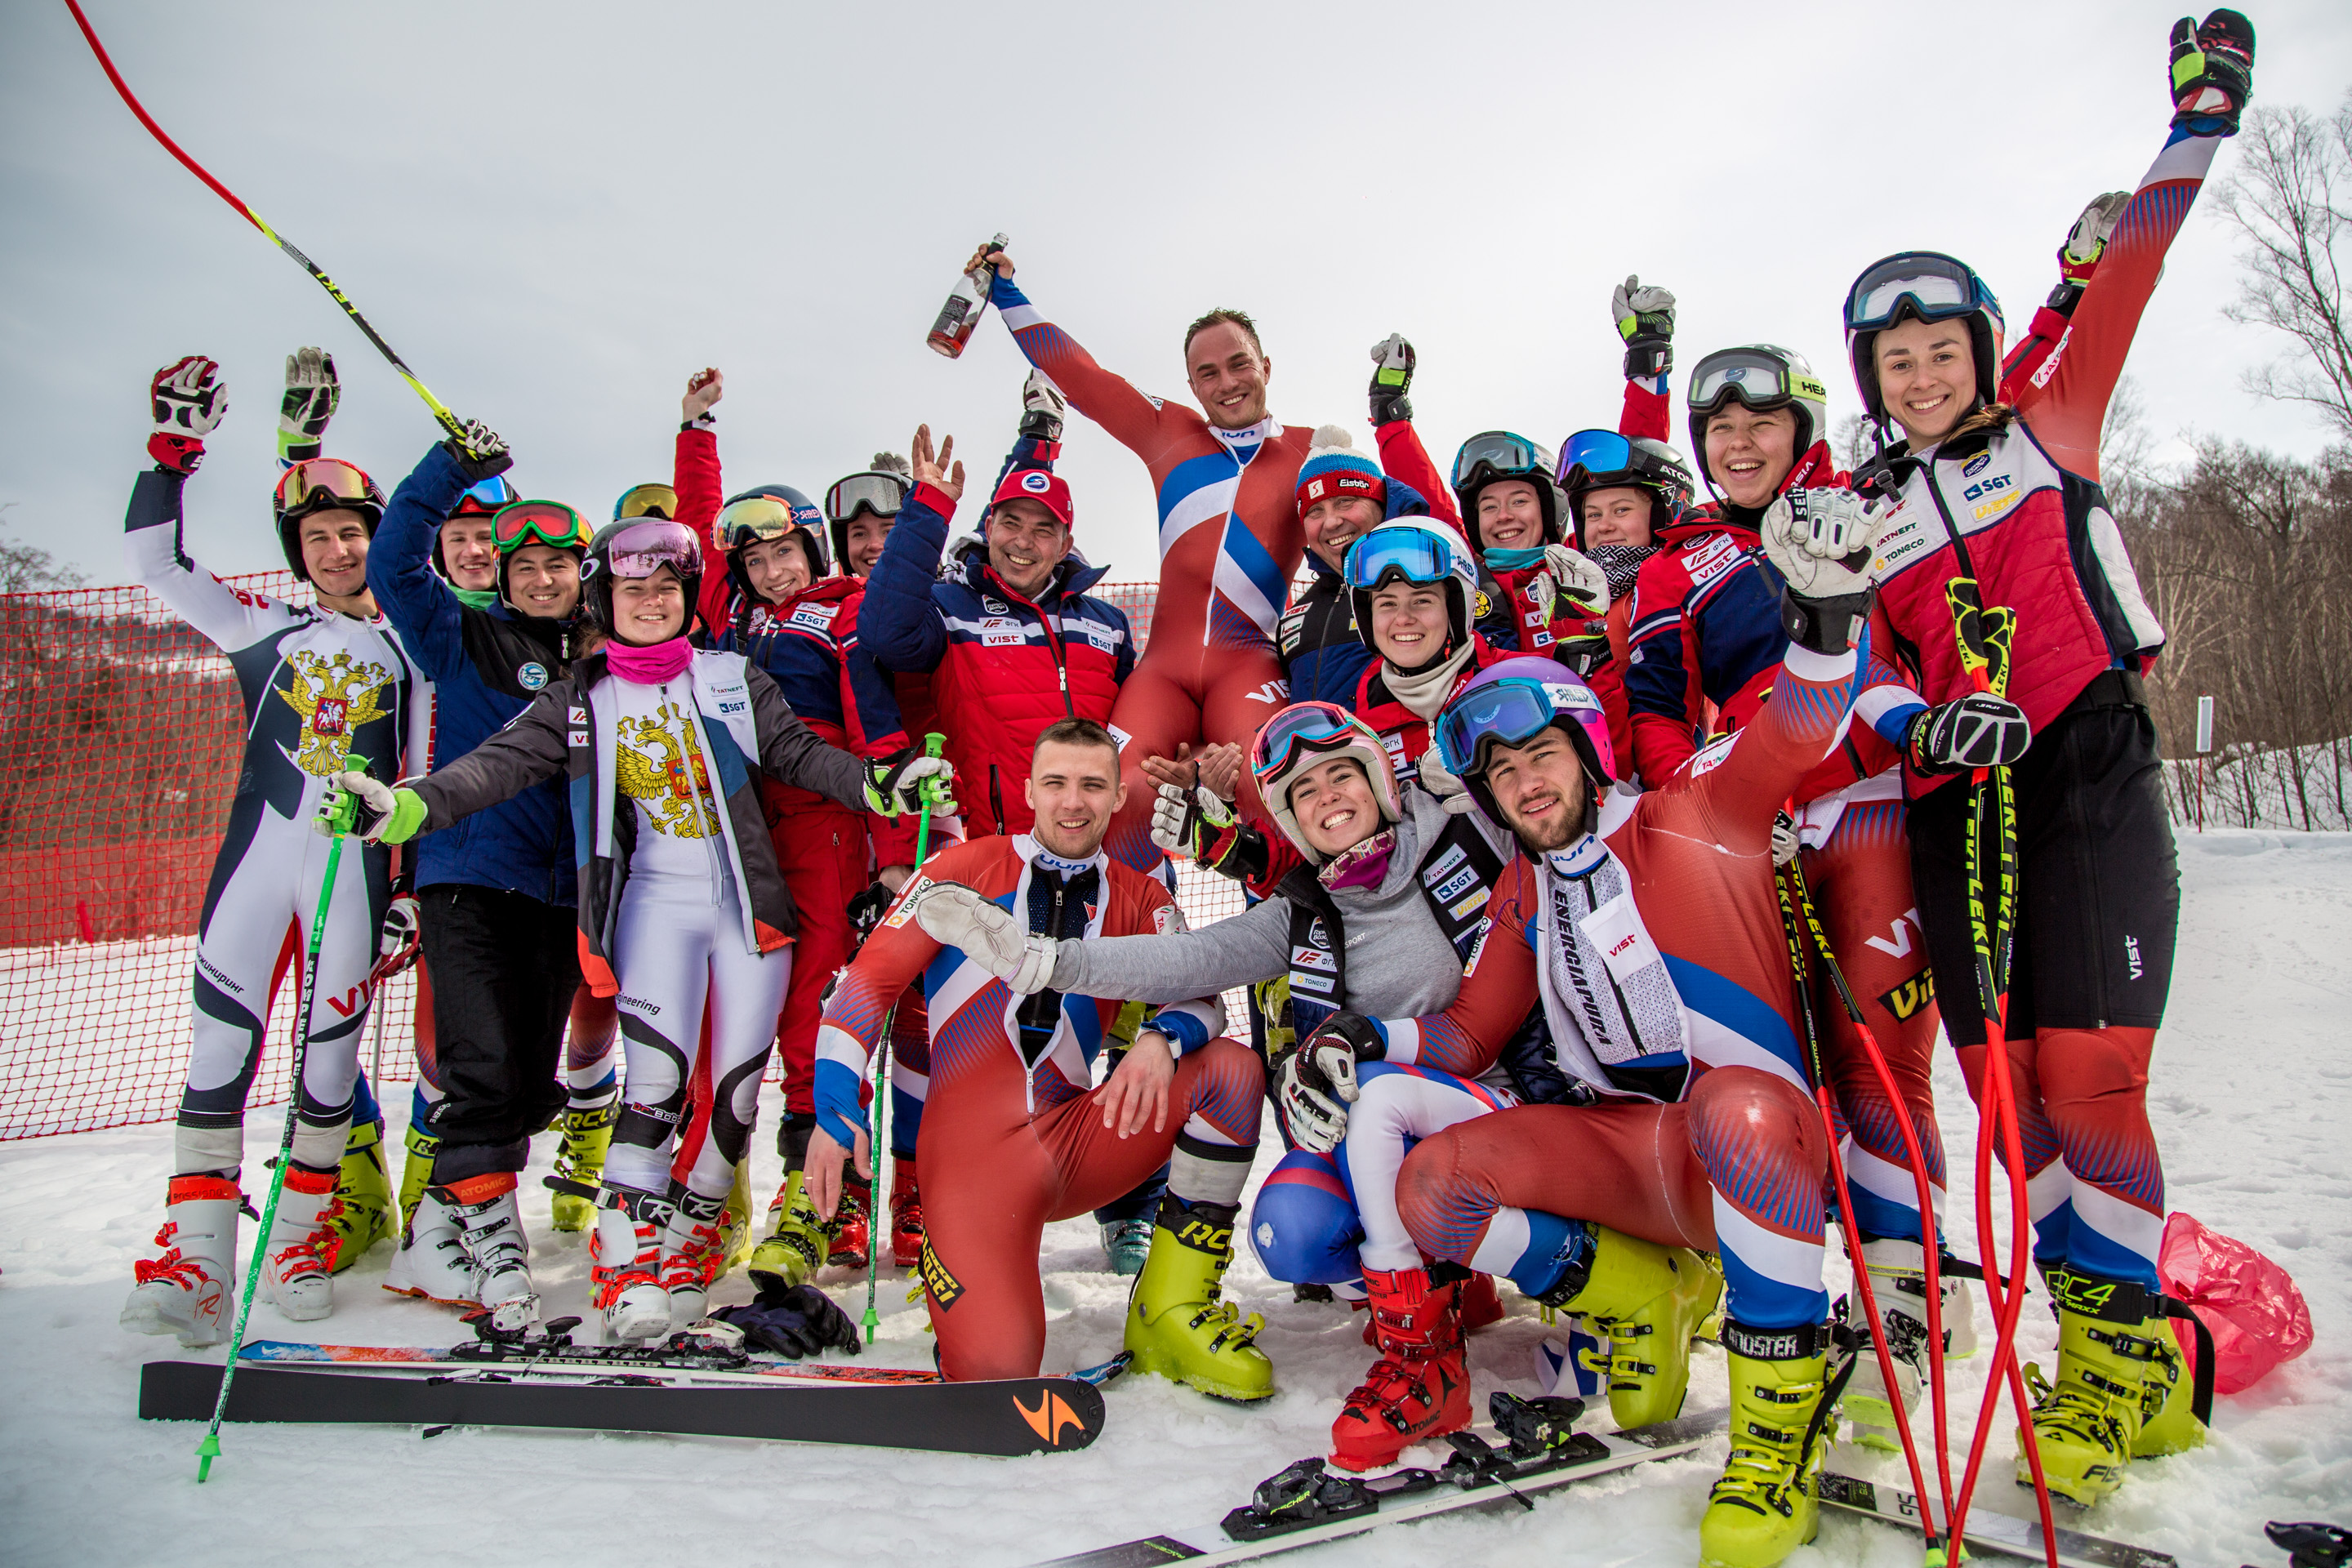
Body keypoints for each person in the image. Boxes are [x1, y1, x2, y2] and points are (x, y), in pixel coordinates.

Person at [1838, 7, 2254, 1505]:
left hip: (2082, 771)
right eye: (1898, 360)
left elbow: (2129, 277)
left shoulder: (2051, 421)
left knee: (2090, 1081)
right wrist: (1908, 721)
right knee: (2005, 1094)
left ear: (1981, 352)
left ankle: (2123, 1374)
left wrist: (2195, 123)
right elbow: (1858, 670)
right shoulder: (1870, 508)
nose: (1926, 375)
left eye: (1944, 350)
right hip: (1959, 798)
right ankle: (2103, 1328)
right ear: (1872, 378)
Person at [1368, 497, 1903, 1568]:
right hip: (1635, 1156)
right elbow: (1470, 1036)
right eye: (1501, 773)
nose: (1524, 782)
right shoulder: (1524, 886)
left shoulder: (1691, 809)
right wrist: (1356, 1041)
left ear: (1587, 746)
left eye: (1540, 755)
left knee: (1741, 1114)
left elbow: (1795, 729)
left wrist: (1828, 618)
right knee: (1431, 1186)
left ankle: (1775, 1437)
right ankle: (1645, 1305)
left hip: (1758, 1149)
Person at [314, 506, 953, 1341]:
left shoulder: (732, 677)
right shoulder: (584, 694)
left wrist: (881, 788)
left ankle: (684, 1249)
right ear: (602, 599)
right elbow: (495, 765)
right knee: (654, 1090)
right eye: (630, 589)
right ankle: (625, 1265)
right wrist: (405, 809)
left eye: (664, 588)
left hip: (749, 914)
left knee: (735, 1096)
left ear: (688, 595)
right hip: (654, 907)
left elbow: (801, 754)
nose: (649, 602)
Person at [1032, 702, 1535, 1468]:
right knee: (1291, 1231)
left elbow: (1558, 807)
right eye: (1305, 791)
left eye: (1343, 776)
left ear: (1379, 782)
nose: (1329, 796)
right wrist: (1052, 960)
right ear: (1293, 822)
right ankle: (1452, 1288)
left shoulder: (1459, 836)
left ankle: (1426, 1354)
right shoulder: (1302, 910)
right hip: (1382, 1121)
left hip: (1495, 1104)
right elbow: (1182, 962)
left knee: (1381, 1102)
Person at [807, 719, 1267, 1394]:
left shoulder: (1143, 896)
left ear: (1117, 799)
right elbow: (867, 984)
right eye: (1056, 784)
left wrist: (1157, 1041)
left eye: (1092, 785)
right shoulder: (960, 868)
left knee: (1231, 1072)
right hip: (972, 1166)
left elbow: (1205, 998)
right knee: (999, 1376)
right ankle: (956, 1256)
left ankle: (1168, 1308)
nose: (1072, 802)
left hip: (1074, 1143)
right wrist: (832, 1106)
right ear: (1028, 790)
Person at [119, 357, 432, 1348]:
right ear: (297, 551)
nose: (340, 549)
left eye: (354, 533)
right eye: (321, 537)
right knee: (220, 1045)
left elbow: (423, 775)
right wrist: (172, 454)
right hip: (255, 865)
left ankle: (300, 1239)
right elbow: (157, 566)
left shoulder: (408, 650)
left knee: (329, 1063)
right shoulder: (259, 628)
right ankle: (196, 1254)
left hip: (349, 877)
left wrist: (410, 889)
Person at [665, 367, 917, 1286]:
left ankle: (827, 1203)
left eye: (786, 551)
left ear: (813, 547)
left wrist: (888, 860)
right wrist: (699, 431)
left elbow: (875, 734)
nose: (773, 570)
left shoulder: (841, 611)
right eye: (756, 559)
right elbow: (693, 533)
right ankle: (707, 1186)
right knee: (730, 1008)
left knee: (818, 1005)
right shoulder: (731, 620)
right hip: (738, 827)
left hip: (826, 825)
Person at [968, 243, 1318, 866]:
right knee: (1122, 796)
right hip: (1164, 672)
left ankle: (1287, 945)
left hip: (1250, 667)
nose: (1227, 383)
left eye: (1239, 364)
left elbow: (1382, 518)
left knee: (1271, 784)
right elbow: (1082, 378)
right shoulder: (1170, 433)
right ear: (1191, 385)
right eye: (1207, 374)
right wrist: (1004, 293)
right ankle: (1129, 947)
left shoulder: (1314, 451)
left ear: (1266, 364)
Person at [363, 428, 592, 1330]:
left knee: (534, 1084)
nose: (541, 579)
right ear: (498, 575)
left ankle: (441, 1228)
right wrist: (451, 467)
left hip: (563, 892)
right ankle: (488, 1244)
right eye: (523, 565)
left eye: (558, 566)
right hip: (471, 880)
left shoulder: (597, 658)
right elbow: (394, 561)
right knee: (483, 1065)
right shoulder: (458, 636)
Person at [858, 392, 1135, 842]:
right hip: (1006, 850)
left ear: (1065, 546)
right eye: (1011, 524)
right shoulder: (951, 610)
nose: (1024, 542)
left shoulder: (1109, 623)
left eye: (1044, 530)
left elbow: (1140, 727)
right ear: (988, 530)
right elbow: (884, 635)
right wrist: (927, 508)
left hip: (1113, 847)